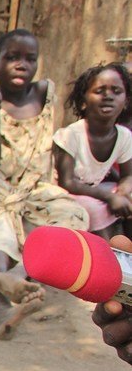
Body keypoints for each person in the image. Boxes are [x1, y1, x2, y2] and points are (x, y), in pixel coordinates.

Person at [0, 29, 88, 341]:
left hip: (32, 185)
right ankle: (2, 303)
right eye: (12, 58)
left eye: (29, 58)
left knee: (72, 216)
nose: (22, 64)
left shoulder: (47, 94)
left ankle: (14, 276)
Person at [53, 63, 132, 239]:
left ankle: (127, 258)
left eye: (116, 91)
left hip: (94, 188)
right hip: (65, 193)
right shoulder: (71, 135)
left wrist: (123, 192)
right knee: (95, 210)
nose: (108, 96)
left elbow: (128, 175)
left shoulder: (124, 136)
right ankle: (104, 258)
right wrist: (109, 197)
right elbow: (67, 182)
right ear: (82, 102)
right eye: (99, 91)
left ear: (126, 101)